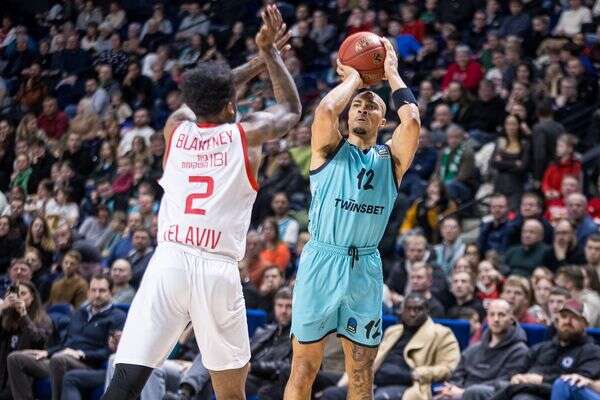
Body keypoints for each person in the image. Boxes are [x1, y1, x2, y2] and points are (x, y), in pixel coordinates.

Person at [103, 6, 301, 400]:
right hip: (216, 269)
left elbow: (204, 93)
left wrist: (254, 63)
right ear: (231, 106)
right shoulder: (246, 136)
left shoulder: (175, 128)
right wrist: (269, 56)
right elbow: (291, 110)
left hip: (169, 262)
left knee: (124, 383)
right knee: (230, 393)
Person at [284, 37, 421, 399]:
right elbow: (326, 111)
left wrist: (391, 73)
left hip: (364, 268)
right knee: (304, 368)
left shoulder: (391, 160)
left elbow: (412, 121)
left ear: (382, 120)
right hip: (322, 260)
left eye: (371, 106)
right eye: (357, 105)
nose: (362, 108)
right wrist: (355, 79)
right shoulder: (328, 149)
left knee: (361, 371)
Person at [321, 292, 460, 400]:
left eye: (418, 309)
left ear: (427, 311)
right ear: (402, 311)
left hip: (406, 383)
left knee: (380, 398)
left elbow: (448, 367)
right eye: (409, 309)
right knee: (331, 394)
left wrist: (418, 373)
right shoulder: (393, 331)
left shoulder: (442, 334)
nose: (413, 313)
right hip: (375, 379)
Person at [7, 275, 126, 400]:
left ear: (111, 292)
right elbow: (65, 344)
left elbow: (111, 352)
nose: (97, 295)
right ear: (88, 292)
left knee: (59, 359)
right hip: (62, 360)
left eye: (102, 291)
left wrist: (81, 354)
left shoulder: (118, 317)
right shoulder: (79, 313)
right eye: (93, 290)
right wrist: (47, 352)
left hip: (89, 365)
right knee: (15, 358)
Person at [492, 299, 600, 400]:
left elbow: (576, 382)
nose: (567, 321)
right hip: (520, 388)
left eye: (574, 318)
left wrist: (541, 380)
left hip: (547, 394)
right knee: (485, 390)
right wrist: (516, 377)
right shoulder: (541, 348)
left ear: (585, 323)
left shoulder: (592, 351)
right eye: (564, 316)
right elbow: (517, 369)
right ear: (557, 321)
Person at [437, 299, 529, 400]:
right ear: (487, 318)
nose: (496, 319)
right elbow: (457, 375)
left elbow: (504, 382)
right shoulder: (473, 349)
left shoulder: (519, 351)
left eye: (501, 315)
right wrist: (452, 389)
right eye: (492, 315)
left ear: (511, 319)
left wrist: (464, 392)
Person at [0, 281, 52, 398]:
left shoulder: (43, 319)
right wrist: (1, 308)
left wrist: (24, 315)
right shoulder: (7, 318)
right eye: (16, 294)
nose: (18, 298)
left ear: (32, 297)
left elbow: (39, 342)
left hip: (25, 372)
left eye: (23, 294)